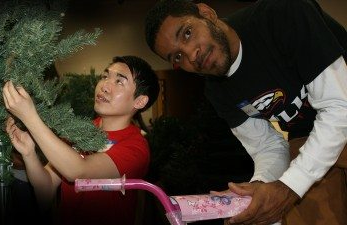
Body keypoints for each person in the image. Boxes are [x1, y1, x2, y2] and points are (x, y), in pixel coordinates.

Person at [144, 0, 347, 224]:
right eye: (177, 57)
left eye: (187, 33)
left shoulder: (283, 14)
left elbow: (339, 108)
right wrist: (258, 186)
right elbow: (267, 146)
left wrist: (289, 187)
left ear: (207, 13)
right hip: (311, 142)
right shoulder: (217, 90)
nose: (192, 55)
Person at [2, 55, 159, 225]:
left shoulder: (136, 147)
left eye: (119, 81)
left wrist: (30, 119)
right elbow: (45, 192)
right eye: (105, 76)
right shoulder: (80, 130)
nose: (104, 86)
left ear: (140, 101)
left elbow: (78, 171)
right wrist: (29, 153)